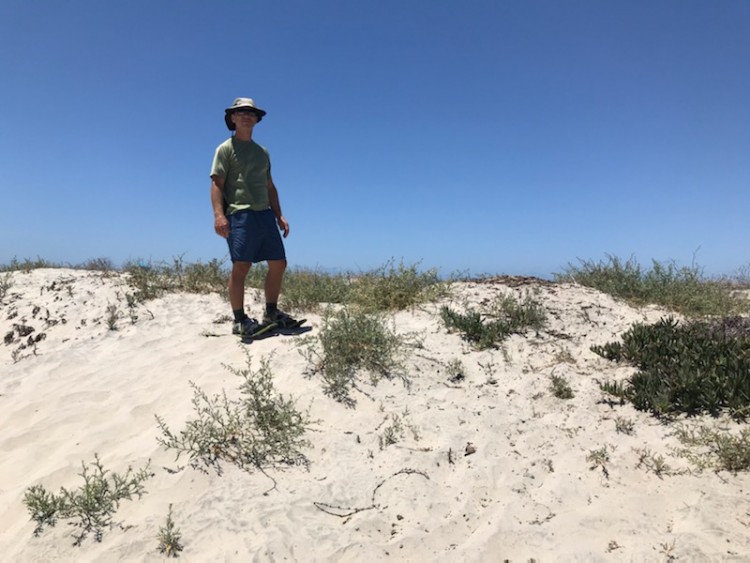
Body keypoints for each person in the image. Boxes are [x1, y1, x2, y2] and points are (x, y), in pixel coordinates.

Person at [210, 97, 299, 335]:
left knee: (279, 263)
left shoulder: (263, 152)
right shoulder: (225, 149)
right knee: (242, 265)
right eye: (241, 112)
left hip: (264, 214)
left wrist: (280, 215)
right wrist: (219, 215)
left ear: (257, 119)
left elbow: (270, 186)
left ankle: (271, 312)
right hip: (239, 214)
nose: (247, 115)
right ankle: (239, 320)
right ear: (232, 118)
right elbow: (217, 184)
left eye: (251, 112)